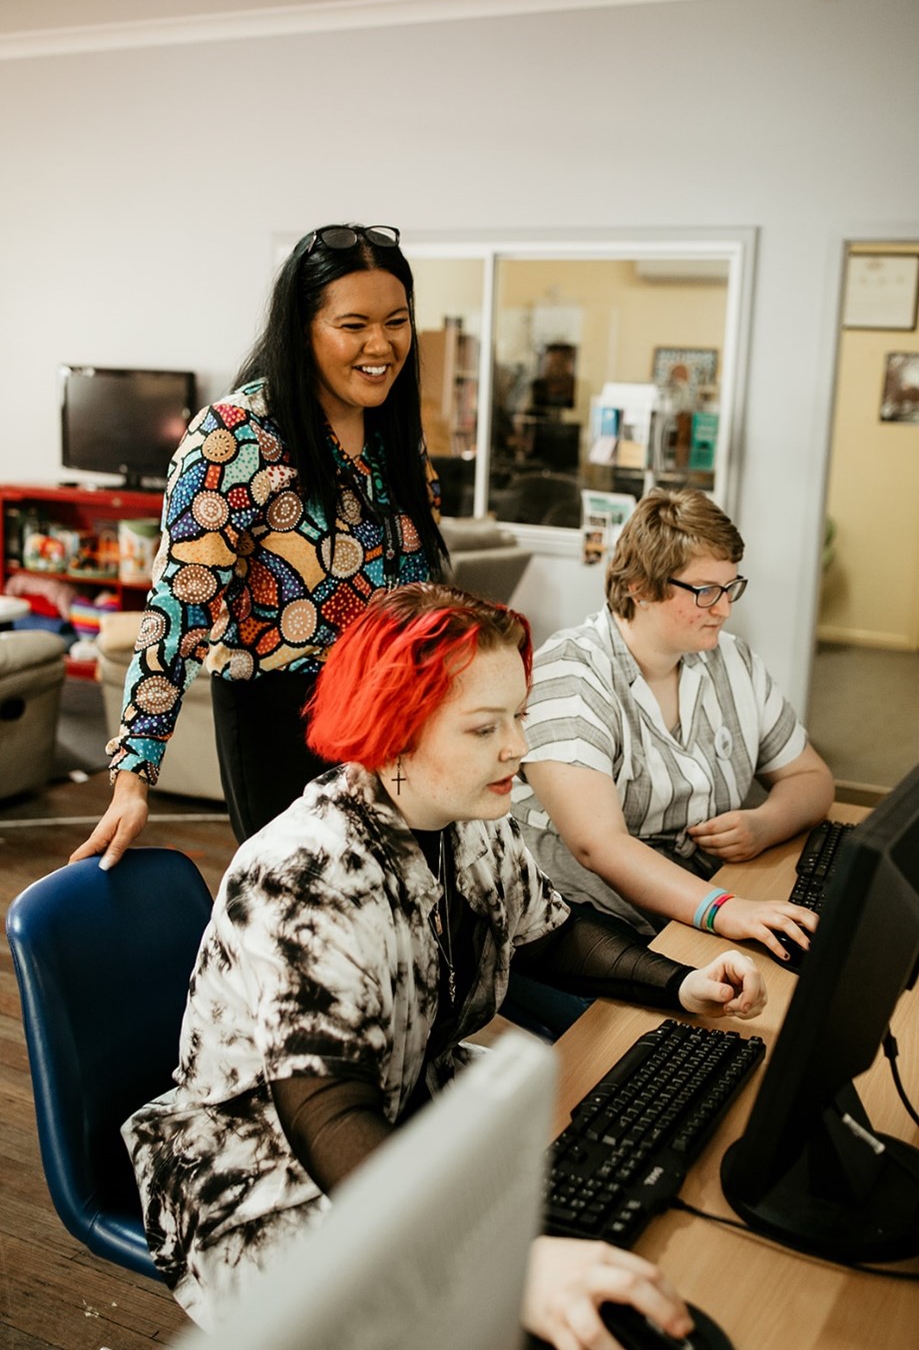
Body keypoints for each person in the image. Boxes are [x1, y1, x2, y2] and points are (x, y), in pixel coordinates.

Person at [121, 582, 766, 1347]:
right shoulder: (305, 877)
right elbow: (325, 1114)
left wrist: (678, 982)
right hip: (269, 1163)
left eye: (518, 717)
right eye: (483, 726)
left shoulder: (462, 816)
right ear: (395, 732)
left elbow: (546, 934)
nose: (517, 747)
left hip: (408, 1105)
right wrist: (507, 1264)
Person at [71, 224, 448, 864]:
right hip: (282, 721)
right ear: (302, 328)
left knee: (406, 918)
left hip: (392, 711)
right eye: (353, 325)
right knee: (308, 930)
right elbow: (177, 609)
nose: (381, 345)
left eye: (397, 321)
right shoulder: (237, 436)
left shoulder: (395, 434)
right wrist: (132, 781)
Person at [512, 487, 835, 965]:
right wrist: (724, 910)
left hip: (698, 891)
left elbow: (812, 779)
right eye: (705, 591)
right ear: (639, 587)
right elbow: (598, 845)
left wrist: (764, 824)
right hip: (583, 921)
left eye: (730, 588)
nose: (724, 609)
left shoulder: (732, 660)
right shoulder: (570, 672)